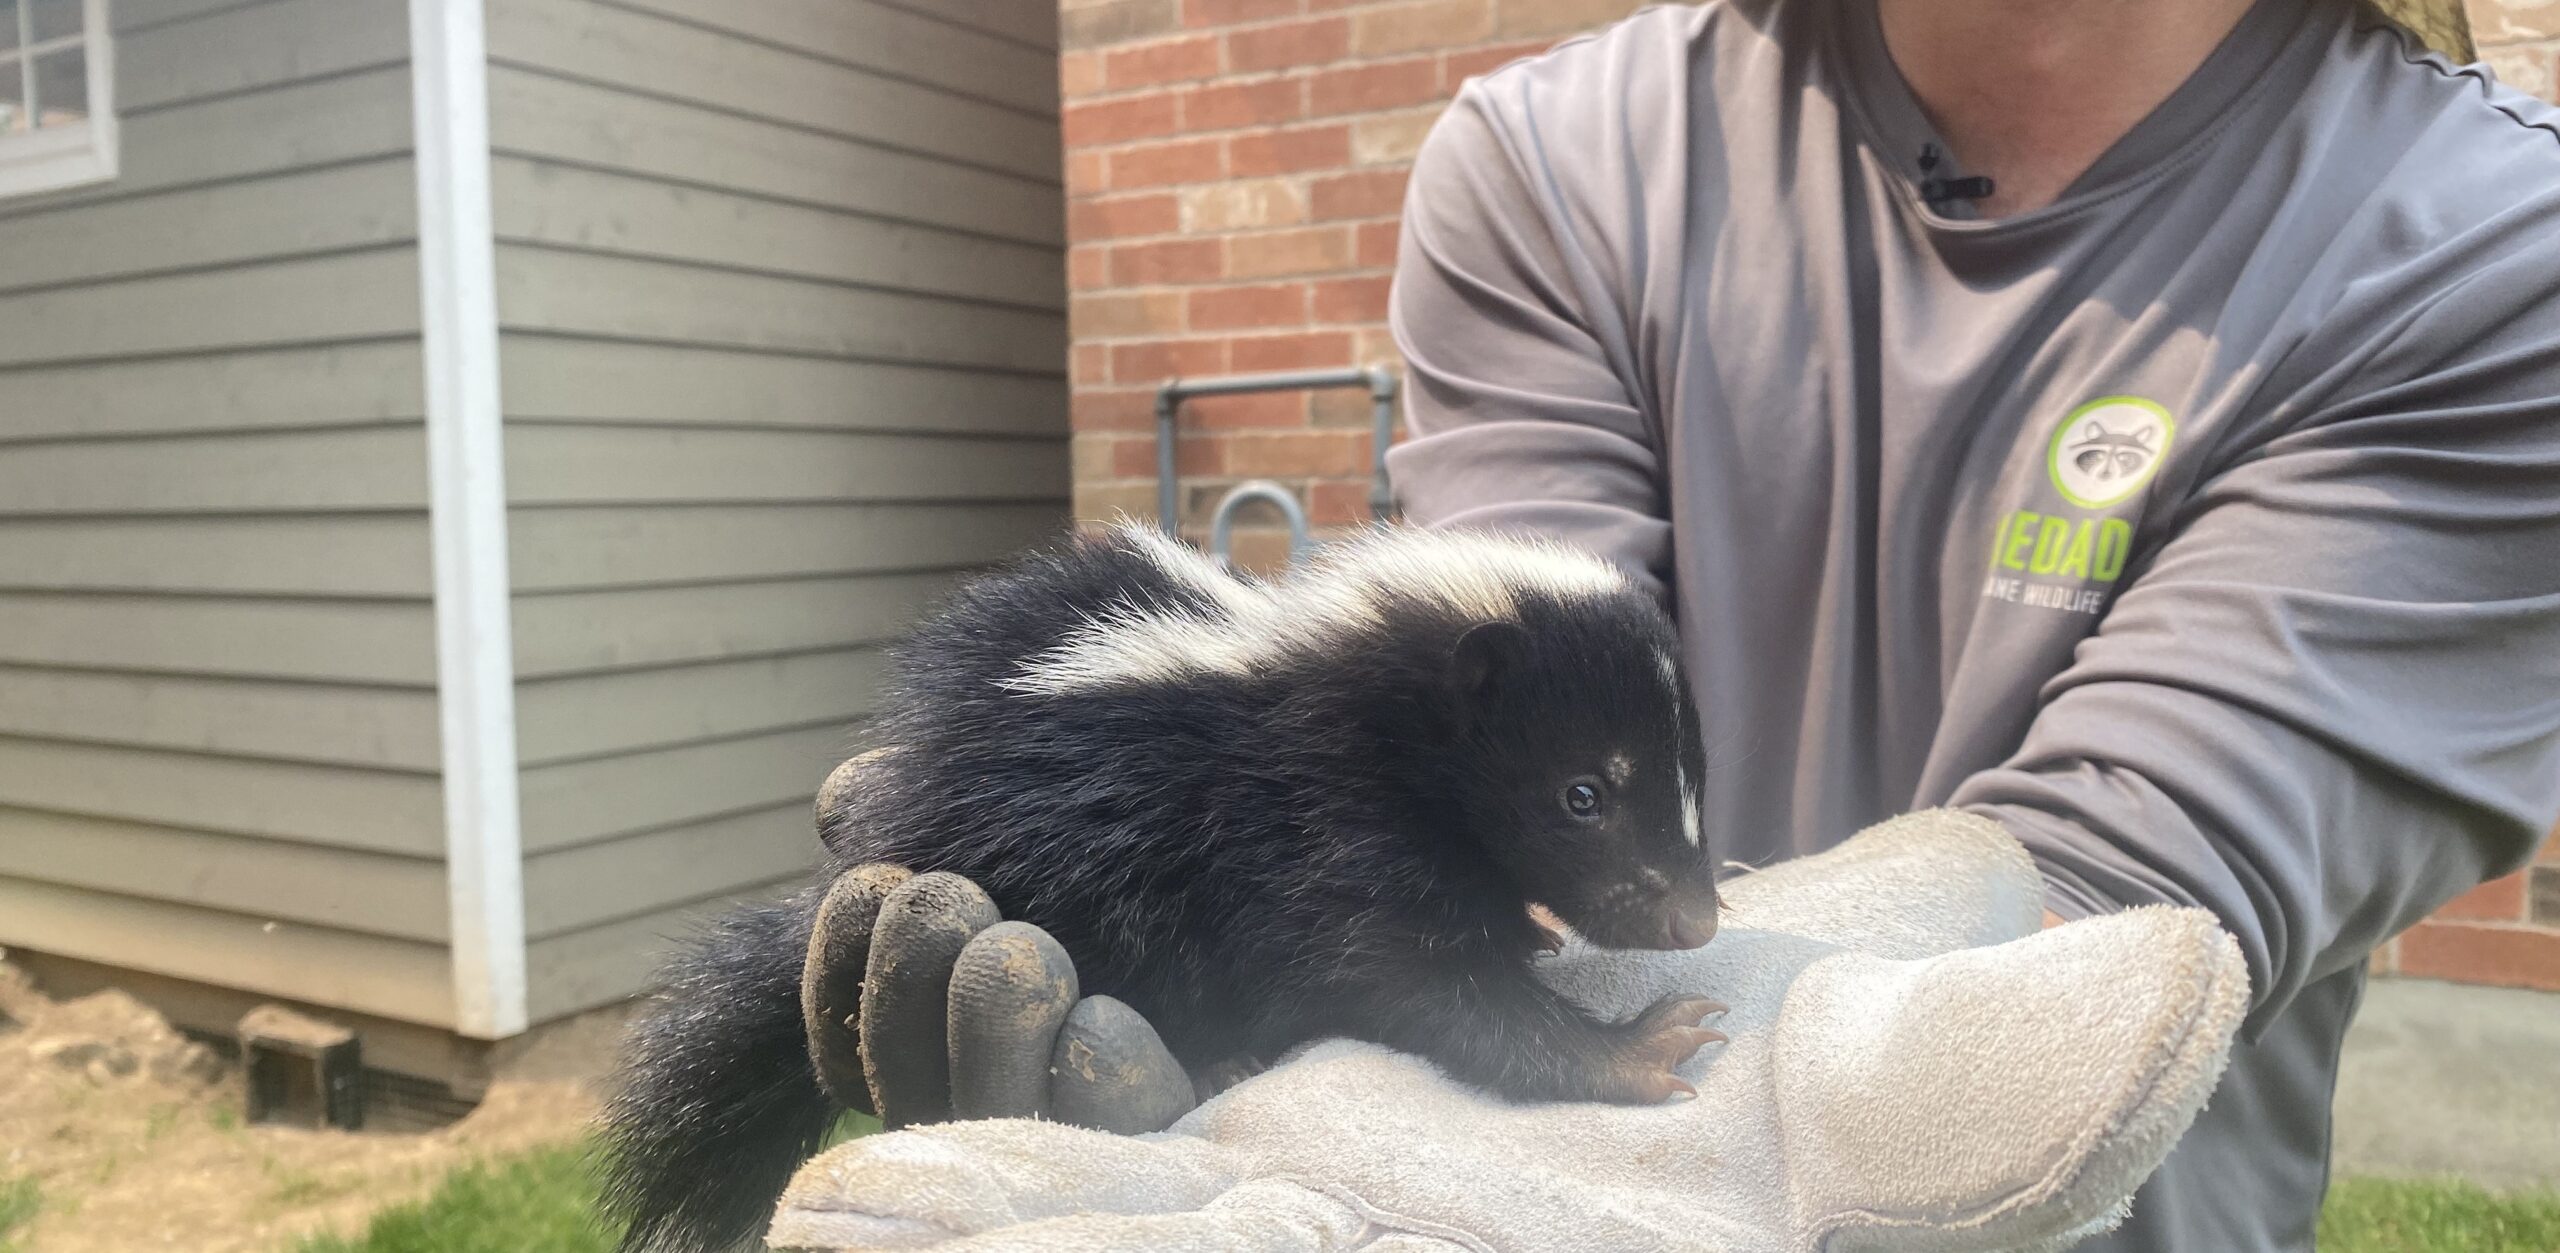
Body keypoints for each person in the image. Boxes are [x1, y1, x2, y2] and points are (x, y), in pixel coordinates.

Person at [814, 0, 2560, 1248]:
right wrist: (1304, 993)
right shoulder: (1554, 163)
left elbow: (2113, 896)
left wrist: (1546, 1089)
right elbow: (1502, 760)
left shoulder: (2491, 254)